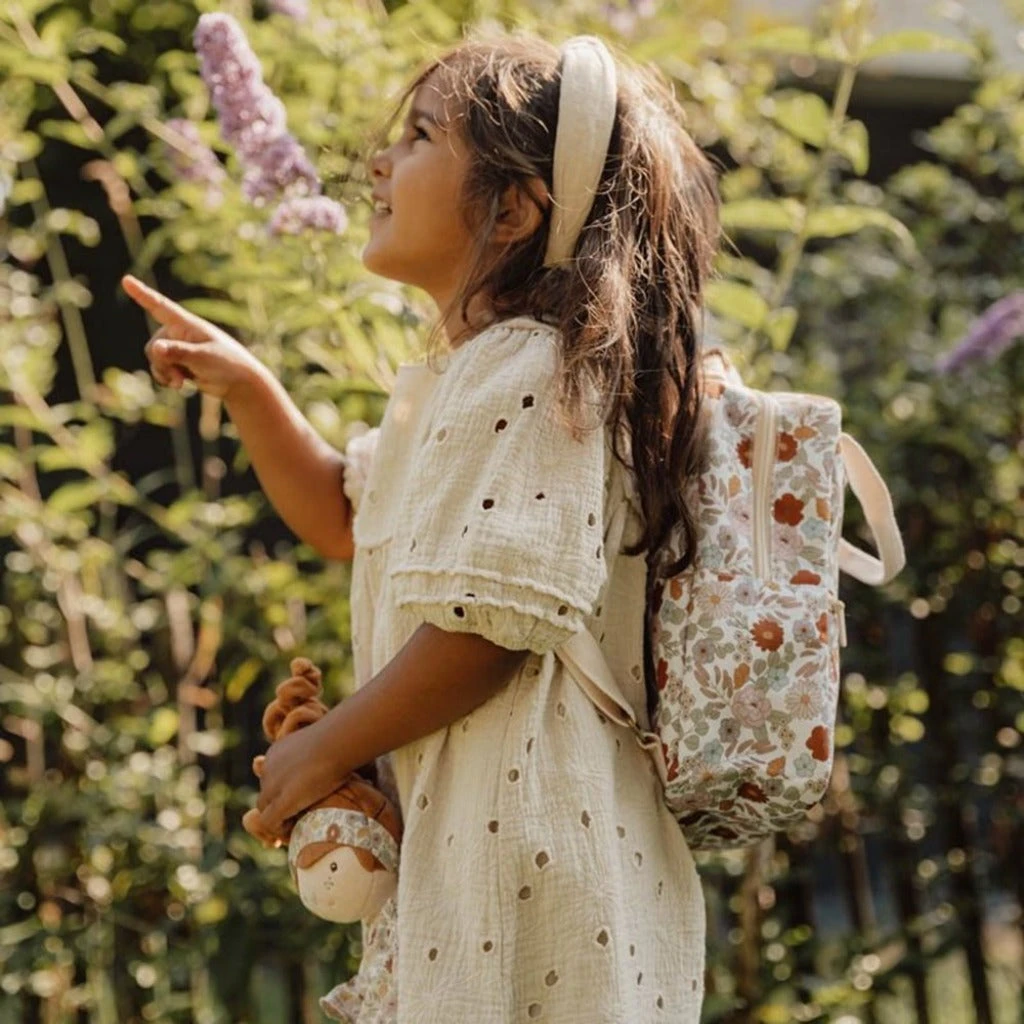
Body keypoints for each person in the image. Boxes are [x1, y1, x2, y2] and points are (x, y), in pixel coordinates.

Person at [123, 30, 719, 1023]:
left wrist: (327, 748)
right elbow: (342, 513)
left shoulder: (532, 372)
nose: (378, 161)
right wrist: (252, 388)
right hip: (476, 846)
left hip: (530, 862)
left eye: (419, 135)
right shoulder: (462, 380)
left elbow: (489, 629)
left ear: (514, 209)